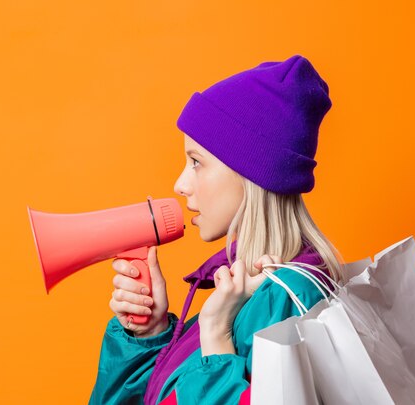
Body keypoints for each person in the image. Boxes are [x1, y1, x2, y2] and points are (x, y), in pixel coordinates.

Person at [89, 54, 345, 404]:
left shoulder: (287, 297)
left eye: (196, 162)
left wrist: (214, 338)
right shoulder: (246, 288)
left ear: (252, 174)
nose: (180, 184)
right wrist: (150, 334)